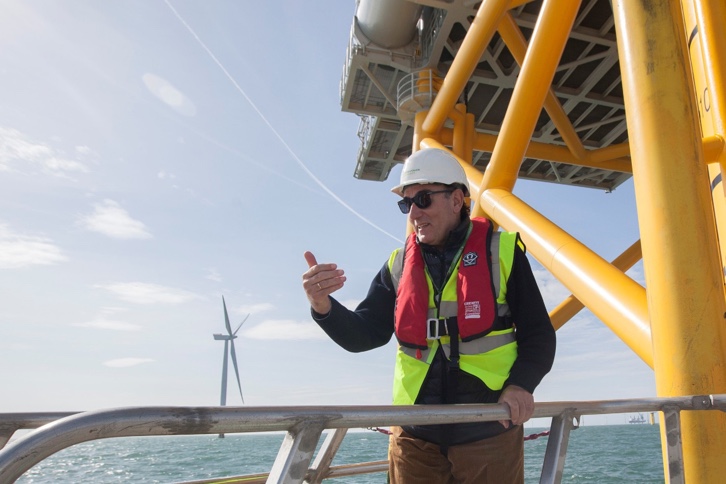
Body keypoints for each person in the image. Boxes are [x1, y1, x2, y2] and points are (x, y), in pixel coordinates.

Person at [302, 147, 556, 483]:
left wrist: (521, 386)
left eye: (423, 199)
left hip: (488, 431)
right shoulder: (397, 265)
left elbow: (539, 334)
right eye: (407, 204)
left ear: (455, 200)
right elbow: (365, 334)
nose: (414, 213)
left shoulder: (502, 253)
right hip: (414, 436)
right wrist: (323, 306)